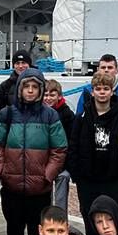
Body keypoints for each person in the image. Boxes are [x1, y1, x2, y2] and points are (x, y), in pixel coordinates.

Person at [0, 67, 68, 235]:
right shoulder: (7, 114)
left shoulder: (50, 115)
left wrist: (47, 175)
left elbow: (59, 149)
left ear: (41, 90)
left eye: (35, 87)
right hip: (12, 188)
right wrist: (2, 169)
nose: (31, 91)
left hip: (39, 190)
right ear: (20, 89)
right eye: (27, 86)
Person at [67, 71, 118, 235]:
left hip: (113, 179)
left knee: (114, 218)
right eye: (98, 89)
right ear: (92, 92)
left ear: (112, 92)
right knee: (90, 218)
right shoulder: (82, 117)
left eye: (106, 89)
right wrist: (77, 174)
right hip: (88, 180)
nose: (102, 92)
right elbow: (73, 146)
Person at [44, 78, 75, 210]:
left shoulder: (67, 115)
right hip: (44, 161)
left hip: (62, 162)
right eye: (45, 95)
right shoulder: (40, 113)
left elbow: (71, 140)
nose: (48, 98)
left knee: (61, 196)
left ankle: (60, 217)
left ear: (59, 96)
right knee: (45, 197)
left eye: (52, 95)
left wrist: (67, 165)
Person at [0, 49, 31, 115]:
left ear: (29, 64)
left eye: (23, 63)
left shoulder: (39, 83)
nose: (20, 66)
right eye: (17, 63)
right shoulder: (5, 86)